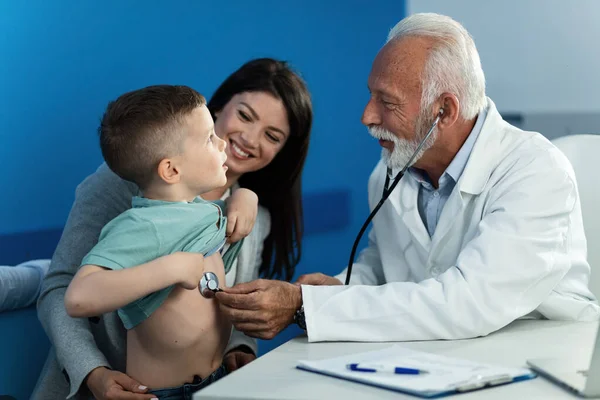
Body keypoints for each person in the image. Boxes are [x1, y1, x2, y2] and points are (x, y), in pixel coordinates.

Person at [216, 13, 600, 343]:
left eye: (387, 101)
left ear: (444, 110)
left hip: (541, 361)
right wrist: (339, 287)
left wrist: (307, 305)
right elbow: (383, 267)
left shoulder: (533, 171)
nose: (367, 116)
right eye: (371, 96)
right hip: (437, 359)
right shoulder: (387, 174)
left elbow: (469, 302)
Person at [33, 58, 312, 400]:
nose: (249, 139)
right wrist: (93, 372)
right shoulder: (125, 184)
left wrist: (238, 348)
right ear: (217, 108)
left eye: (272, 135)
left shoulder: (254, 217)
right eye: (245, 115)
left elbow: (229, 302)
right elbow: (62, 286)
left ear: (282, 152)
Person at [63, 84, 259, 398]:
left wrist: (247, 197)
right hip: (163, 393)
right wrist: (170, 268)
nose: (222, 143)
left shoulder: (198, 210)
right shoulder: (140, 226)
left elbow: (227, 224)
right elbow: (78, 297)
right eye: (209, 138)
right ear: (171, 169)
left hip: (217, 379)